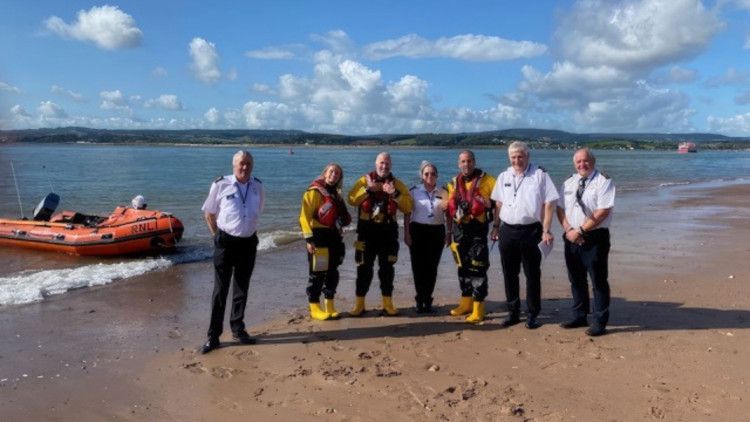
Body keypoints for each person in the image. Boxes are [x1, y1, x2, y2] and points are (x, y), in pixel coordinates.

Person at [199, 150, 265, 354]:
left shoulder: (257, 186)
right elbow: (209, 212)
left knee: (242, 288)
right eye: (241, 164)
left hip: (248, 243)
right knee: (220, 291)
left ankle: (238, 328)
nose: (245, 168)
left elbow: (258, 211)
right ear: (234, 165)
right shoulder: (220, 184)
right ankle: (213, 336)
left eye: (248, 164)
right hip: (226, 243)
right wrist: (216, 236)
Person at [490, 141, 558, 329]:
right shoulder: (504, 175)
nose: (517, 160)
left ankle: (532, 314)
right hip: (507, 230)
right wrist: (496, 227)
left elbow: (549, 204)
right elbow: (498, 204)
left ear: (527, 156)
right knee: (509, 273)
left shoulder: (540, 175)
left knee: (532, 274)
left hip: (532, 230)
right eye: (513, 157)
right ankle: (513, 312)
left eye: (520, 156)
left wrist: (546, 229)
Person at [556, 148, 615, 337]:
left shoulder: (603, 181)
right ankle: (579, 315)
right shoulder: (568, 182)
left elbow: (603, 211)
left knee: (598, 280)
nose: (582, 164)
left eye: (586, 161)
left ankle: (599, 321)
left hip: (594, 237)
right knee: (576, 279)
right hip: (571, 236)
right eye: (579, 161)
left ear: (593, 161)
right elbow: (560, 209)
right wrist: (569, 230)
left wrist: (581, 230)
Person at [348, 152, 413, 316]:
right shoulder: (364, 181)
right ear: (376, 163)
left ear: (391, 165)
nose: (384, 166)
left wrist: (394, 194)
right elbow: (351, 199)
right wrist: (368, 190)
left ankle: (387, 303)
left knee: (387, 268)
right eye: (381, 163)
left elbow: (408, 207)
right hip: (365, 232)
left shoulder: (397, 184)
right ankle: (359, 304)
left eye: (387, 164)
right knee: (363, 268)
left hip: (388, 232)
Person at [446, 150, 496, 323]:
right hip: (460, 231)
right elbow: (449, 204)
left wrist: (496, 224)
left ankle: (478, 309)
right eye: (463, 161)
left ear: (474, 162)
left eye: (469, 161)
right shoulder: (453, 182)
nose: (466, 164)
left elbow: (499, 204)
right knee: (462, 267)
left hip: (478, 231)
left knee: (477, 269)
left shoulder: (488, 181)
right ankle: (465, 303)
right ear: (459, 164)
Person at [299, 163, 351, 321]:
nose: (334, 175)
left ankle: (330, 305)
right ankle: (314, 306)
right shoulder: (313, 192)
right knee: (317, 272)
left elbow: (344, 217)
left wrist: (342, 221)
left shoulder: (337, 195)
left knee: (333, 271)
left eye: (337, 174)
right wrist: (309, 239)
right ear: (325, 173)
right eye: (331, 172)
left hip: (334, 236)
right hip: (318, 236)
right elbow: (304, 216)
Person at [404, 161, 451, 313]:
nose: (429, 176)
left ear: (437, 175)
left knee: (432, 268)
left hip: (437, 231)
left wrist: (449, 233)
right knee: (418, 268)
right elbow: (407, 214)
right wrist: (407, 233)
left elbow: (449, 214)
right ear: (421, 176)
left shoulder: (444, 192)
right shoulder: (413, 191)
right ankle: (419, 300)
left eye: (432, 174)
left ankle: (428, 300)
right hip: (417, 230)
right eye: (426, 174)